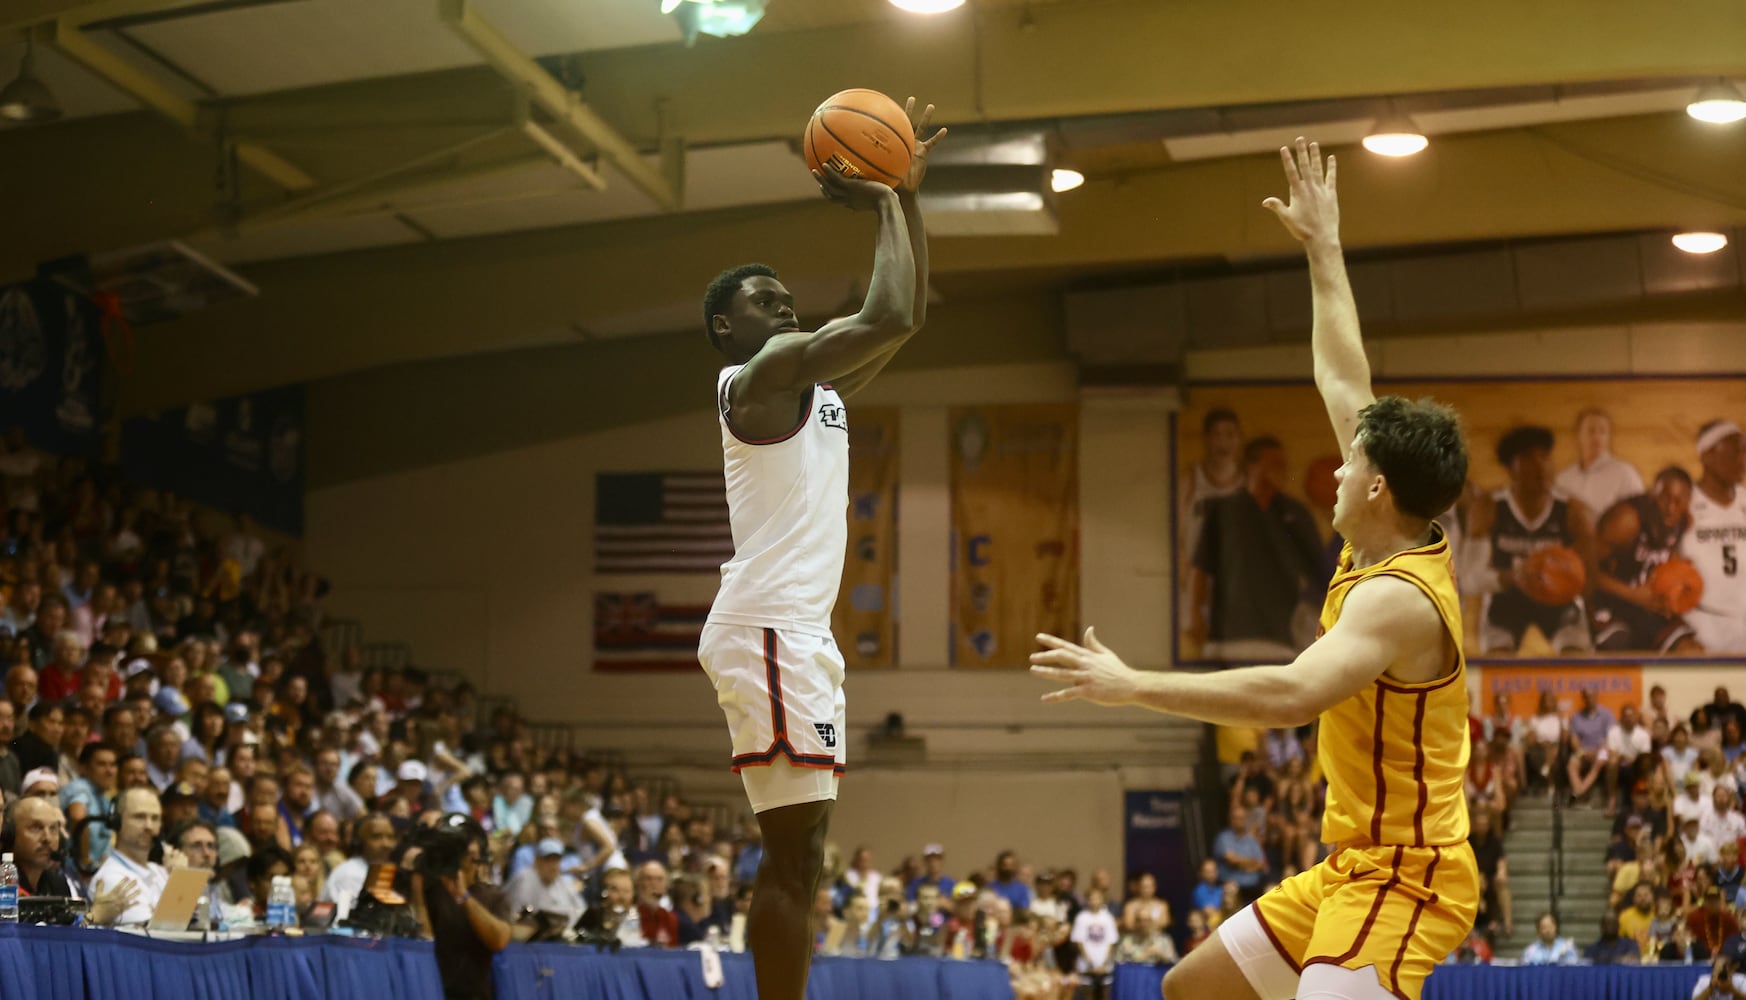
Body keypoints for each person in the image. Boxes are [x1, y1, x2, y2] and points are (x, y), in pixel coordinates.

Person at [1032, 138, 1477, 1000]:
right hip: (1350, 866)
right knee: (1187, 990)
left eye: (1351, 466)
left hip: (1410, 874)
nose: (1336, 469)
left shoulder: (1397, 599)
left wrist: (1133, 685)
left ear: (1378, 486)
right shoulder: (1383, 536)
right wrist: (1324, 247)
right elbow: (1341, 365)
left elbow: (1288, 695)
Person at [693, 98, 942, 1000]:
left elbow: (904, 315)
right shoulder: (753, 380)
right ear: (728, 327)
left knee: (808, 852)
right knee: (794, 856)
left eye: (787, 298)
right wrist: (879, 202)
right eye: (766, 301)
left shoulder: (812, 384)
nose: (786, 306)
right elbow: (877, 316)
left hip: (794, 633)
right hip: (767, 627)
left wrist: (904, 195)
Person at [1471, 424, 1596, 654]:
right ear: (1510, 469)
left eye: (1545, 457)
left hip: (1559, 605)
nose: (1540, 466)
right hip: (1506, 603)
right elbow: (1471, 578)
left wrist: (1569, 579)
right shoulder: (1489, 509)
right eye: (1528, 458)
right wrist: (1514, 576)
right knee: (1498, 665)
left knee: (1577, 660)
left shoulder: (1574, 512)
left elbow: (1589, 579)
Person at [1590, 467, 1701, 652]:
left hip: (1646, 607)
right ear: (1653, 494)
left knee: (1690, 651)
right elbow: (1586, 571)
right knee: (1618, 650)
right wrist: (1633, 594)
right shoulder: (1626, 520)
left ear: (1688, 502)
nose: (1671, 508)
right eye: (1666, 499)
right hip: (1611, 604)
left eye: (1679, 501)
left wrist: (1677, 586)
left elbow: (1665, 564)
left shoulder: (1683, 522)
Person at [410, 814, 512, 1000]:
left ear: (478, 853)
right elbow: (422, 943)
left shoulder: (493, 896)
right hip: (428, 992)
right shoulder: (428, 889)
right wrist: (417, 894)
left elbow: (499, 940)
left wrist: (464, 897)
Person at [1681, 421, 1746, 654]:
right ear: (1707, 456)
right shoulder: (1683, 503)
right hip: (1700, 623)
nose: (1743, 459)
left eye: (1745, 450)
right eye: (1735, 451)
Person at [91, 785, 190, 926]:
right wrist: (180, 882)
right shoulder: (112, 878)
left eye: (155, 818)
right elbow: (158, 935)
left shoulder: (161, 871)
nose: (149, 826)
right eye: (139, 817)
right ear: (117, 822)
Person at [1554, 408, 1645, 519]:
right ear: (1578, 435)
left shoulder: (1625, 473)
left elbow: (1639, 516)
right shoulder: (1564, 478)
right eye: (1591, 431)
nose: (1597, 437)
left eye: (1603, 431)